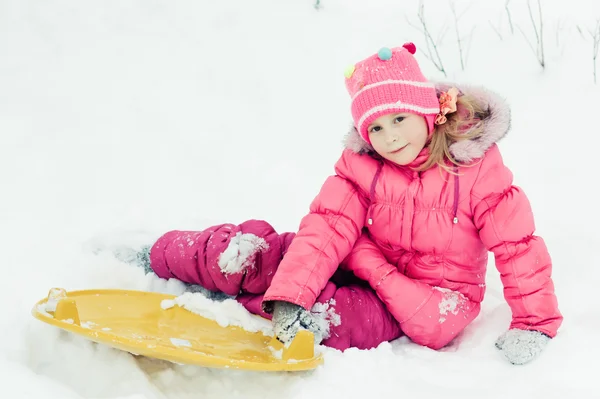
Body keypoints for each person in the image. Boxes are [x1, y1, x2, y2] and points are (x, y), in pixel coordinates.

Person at [133, 43, 562, 365]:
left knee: (339, 319)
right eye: (374, 127)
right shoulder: (361, 164)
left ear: (428, 112)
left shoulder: (475, 169)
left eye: (399, 119)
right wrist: (290, 293)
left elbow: (517, 246)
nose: (389, 137)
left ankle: (255, 305)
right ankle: (168, 255)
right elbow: (326, 226)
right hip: (356, 260)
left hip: (422, 298)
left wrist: (535, 323)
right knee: (264, 255)